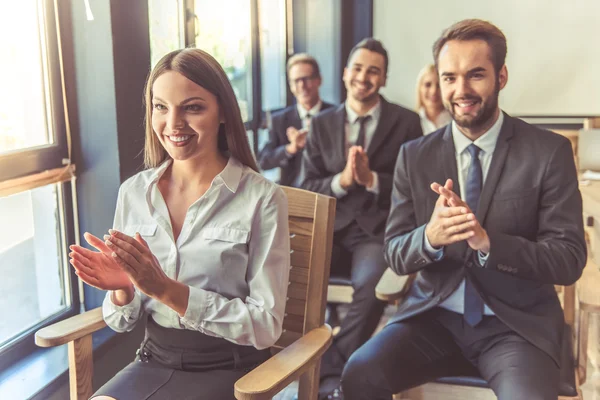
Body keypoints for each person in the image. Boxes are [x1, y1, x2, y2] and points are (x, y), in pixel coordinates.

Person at [341, 19, 587, 400]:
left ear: (501, 76)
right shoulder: (415, 155)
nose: (461, 90)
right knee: (358, 374)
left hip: (516, 328)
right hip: (432, 318)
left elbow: (569, 260)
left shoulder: (548, 152)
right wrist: (430, 237)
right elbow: (394, 252)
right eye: (449, 77)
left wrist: (489, 243)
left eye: (476, 75)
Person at [68, 48, 290, 400]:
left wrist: (167, 290)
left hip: (233, 371)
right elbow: (121, 320)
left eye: (192, 107)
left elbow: (266, 327)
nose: (173, 125)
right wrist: (123, 288)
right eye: (161, 107)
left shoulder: (262, 198)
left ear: (223, 113)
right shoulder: (135, 193)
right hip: (153, 360)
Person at [300, 38, 423, 399]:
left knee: (372, 285)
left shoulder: (407, 122)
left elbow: (416, 188)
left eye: (374, 71)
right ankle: (299, 366)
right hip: (327, 229)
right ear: (344, 74)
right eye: (358, 68)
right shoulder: (321, 124)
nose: (363, 77)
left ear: (384, 79)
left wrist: (372, 181)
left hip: (374, 232)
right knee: (284, 274)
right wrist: (343, 180)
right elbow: (305, 184)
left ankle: (333, 369)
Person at [258, 53, 334, 187]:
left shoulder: (335, 115)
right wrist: (291, 148)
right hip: (293, 195)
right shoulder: (279, 120)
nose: (302, 85)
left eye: (307, 78)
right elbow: (263, 161)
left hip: (328, 192)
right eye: (296, 81)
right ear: (291, 86)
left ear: (319, 80)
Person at [415, 63, 451, 134]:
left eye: (439, 85)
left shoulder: (456, 122)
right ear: (419, 88)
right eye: (427, 85)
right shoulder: (410, 122)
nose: (433, 91)